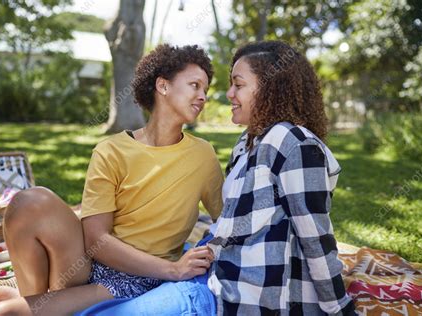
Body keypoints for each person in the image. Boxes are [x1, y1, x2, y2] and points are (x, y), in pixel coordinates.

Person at [77, 40, 355, 315]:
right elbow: (230, 219)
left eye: (239, 84)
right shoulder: (248, 143)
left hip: (232, 295)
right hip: (208, 278)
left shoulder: (294, 143)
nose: (228, 94)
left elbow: (315, 237)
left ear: (270, 87)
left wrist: (339, 308)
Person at [0, 44, 224, 315]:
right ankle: (35, 298)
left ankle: (33, 304)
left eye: (205, 90)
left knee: (3, 314)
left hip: (135, 279)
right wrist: (174, 269)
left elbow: (228, 219)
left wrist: (191, 259)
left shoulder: (203, 155)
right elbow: (96, 239)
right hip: (88, 264)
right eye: (195, 85)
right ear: (163, 86)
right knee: (27, 202)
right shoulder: (111, 150)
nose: (203, 96)